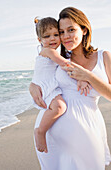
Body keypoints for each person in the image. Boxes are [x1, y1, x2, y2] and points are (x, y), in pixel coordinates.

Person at [29, 7, 111, 170]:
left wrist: (87, 76)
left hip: (87, 129)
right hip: (52, 135)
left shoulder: (104, 56)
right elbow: (42, 76)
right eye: (61, 31)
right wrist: (32, 86)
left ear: (84, 30)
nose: (65, 36)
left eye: (71, 30)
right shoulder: (57, 58)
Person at [32, 17, 91, 153]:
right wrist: (82, 78)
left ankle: (41, 130)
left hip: (48, 85)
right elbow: (66, 64)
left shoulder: (52, 52)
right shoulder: (48, 51)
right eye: (47, 36)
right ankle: (40, 132)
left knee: (59, 106)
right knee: (60, 107)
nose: (52, 39)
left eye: (56, 35)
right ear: (39, 40)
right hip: (45, 87)